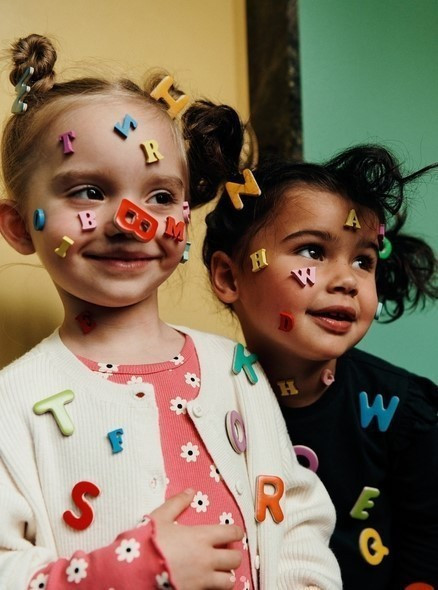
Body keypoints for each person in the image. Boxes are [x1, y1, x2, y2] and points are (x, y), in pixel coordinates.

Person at [0, 34, 342, 590]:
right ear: (19, 226)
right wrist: (127, 570)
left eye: (160, 197)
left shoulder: (235, 368)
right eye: (88, 191)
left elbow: (297, 520)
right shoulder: (13, 402)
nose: (129, 221)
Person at [190, 106, 438, 589]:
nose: (347, 280)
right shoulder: (200, 400)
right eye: (312, 251)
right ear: (229, 277)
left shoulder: (405, 411)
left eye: (364, 261)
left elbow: (429, 545)